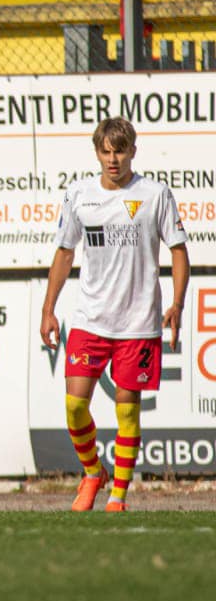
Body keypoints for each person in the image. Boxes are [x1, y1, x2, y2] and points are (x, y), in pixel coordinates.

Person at [40, 116, 189, 513]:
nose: (112, 159)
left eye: (120, 151)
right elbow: (65, 252)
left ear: (132, 152)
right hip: (91, 318)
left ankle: (117, 497)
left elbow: (177, 249)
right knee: (74, 406)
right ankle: (93, 472)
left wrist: (177, 302)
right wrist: (48, 309)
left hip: (138, 321)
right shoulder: (79, 195)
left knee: (127, 408)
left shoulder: (155, 194)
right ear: (96, 152)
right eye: (106, 151)